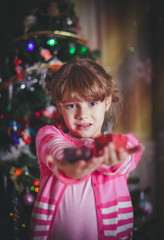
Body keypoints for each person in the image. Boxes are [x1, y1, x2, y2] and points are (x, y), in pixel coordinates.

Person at [30, 58, 143, 240]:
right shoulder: (49, 136)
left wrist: (113, 155)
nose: (82, 115)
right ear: (60, 106)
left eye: (92, 103)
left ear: (106, 102)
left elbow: (129, 152)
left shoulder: (121, 143)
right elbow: (58, 152)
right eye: (72, 105)